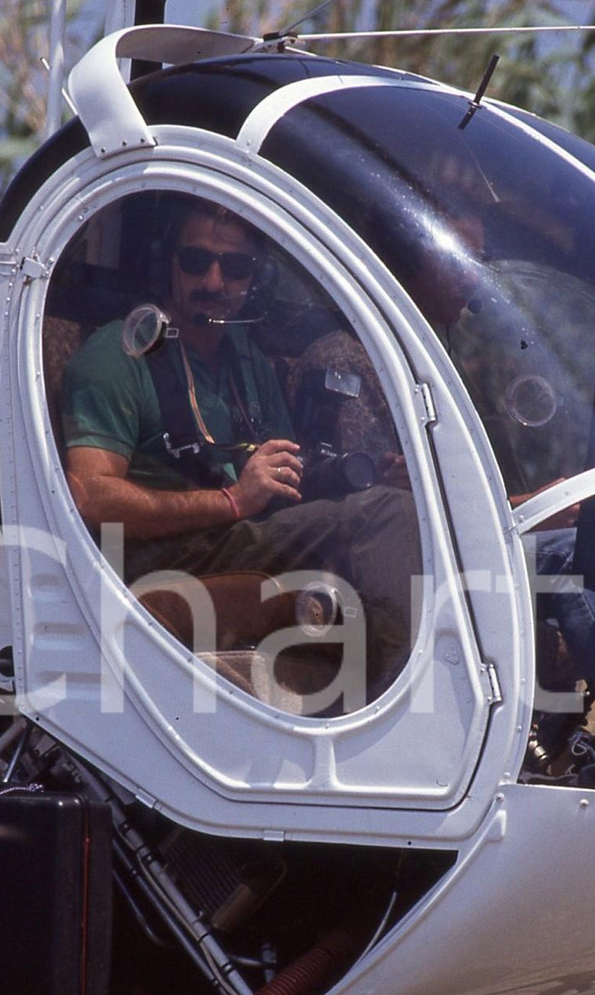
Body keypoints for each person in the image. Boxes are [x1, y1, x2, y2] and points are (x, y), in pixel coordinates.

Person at [61, 197, 422, 701]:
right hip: (166, 556)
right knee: (386, 516)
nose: (213, 282)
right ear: (170, 264)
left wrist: (357, 478)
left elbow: (281, 480)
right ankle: (403, 698)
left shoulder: (249, 362)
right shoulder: (119, 354)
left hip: (242, 535)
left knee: (396, 512)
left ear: (258, 280)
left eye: (235, 267)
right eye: (195, 261)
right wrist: (232, 501)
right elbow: (91, 497)